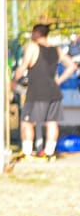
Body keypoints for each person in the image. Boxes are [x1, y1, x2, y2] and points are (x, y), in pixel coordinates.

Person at [16, 23, 78, 159]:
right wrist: (59, 81)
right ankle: (49, 153)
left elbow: (24, 65)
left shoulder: (33, 47)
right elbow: (72, 66)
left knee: (27, 122)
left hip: (37, 91)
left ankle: (27, 152)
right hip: (53, 91)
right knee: (52, 122)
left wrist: (14, 79)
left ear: (37, 33)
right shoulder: (56, 50)